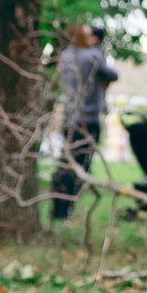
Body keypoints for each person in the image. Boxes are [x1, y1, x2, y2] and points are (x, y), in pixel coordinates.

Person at [50, 21, 116, 220]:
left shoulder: (65, 56)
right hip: (88, 121)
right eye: (88, 35)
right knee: (81, 167)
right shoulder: (93, 55)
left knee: (66, 163)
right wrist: (97, 48)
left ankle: (58, 208)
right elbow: (112, 74)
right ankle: (66, 209)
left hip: (69, 119)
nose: (91, 38)